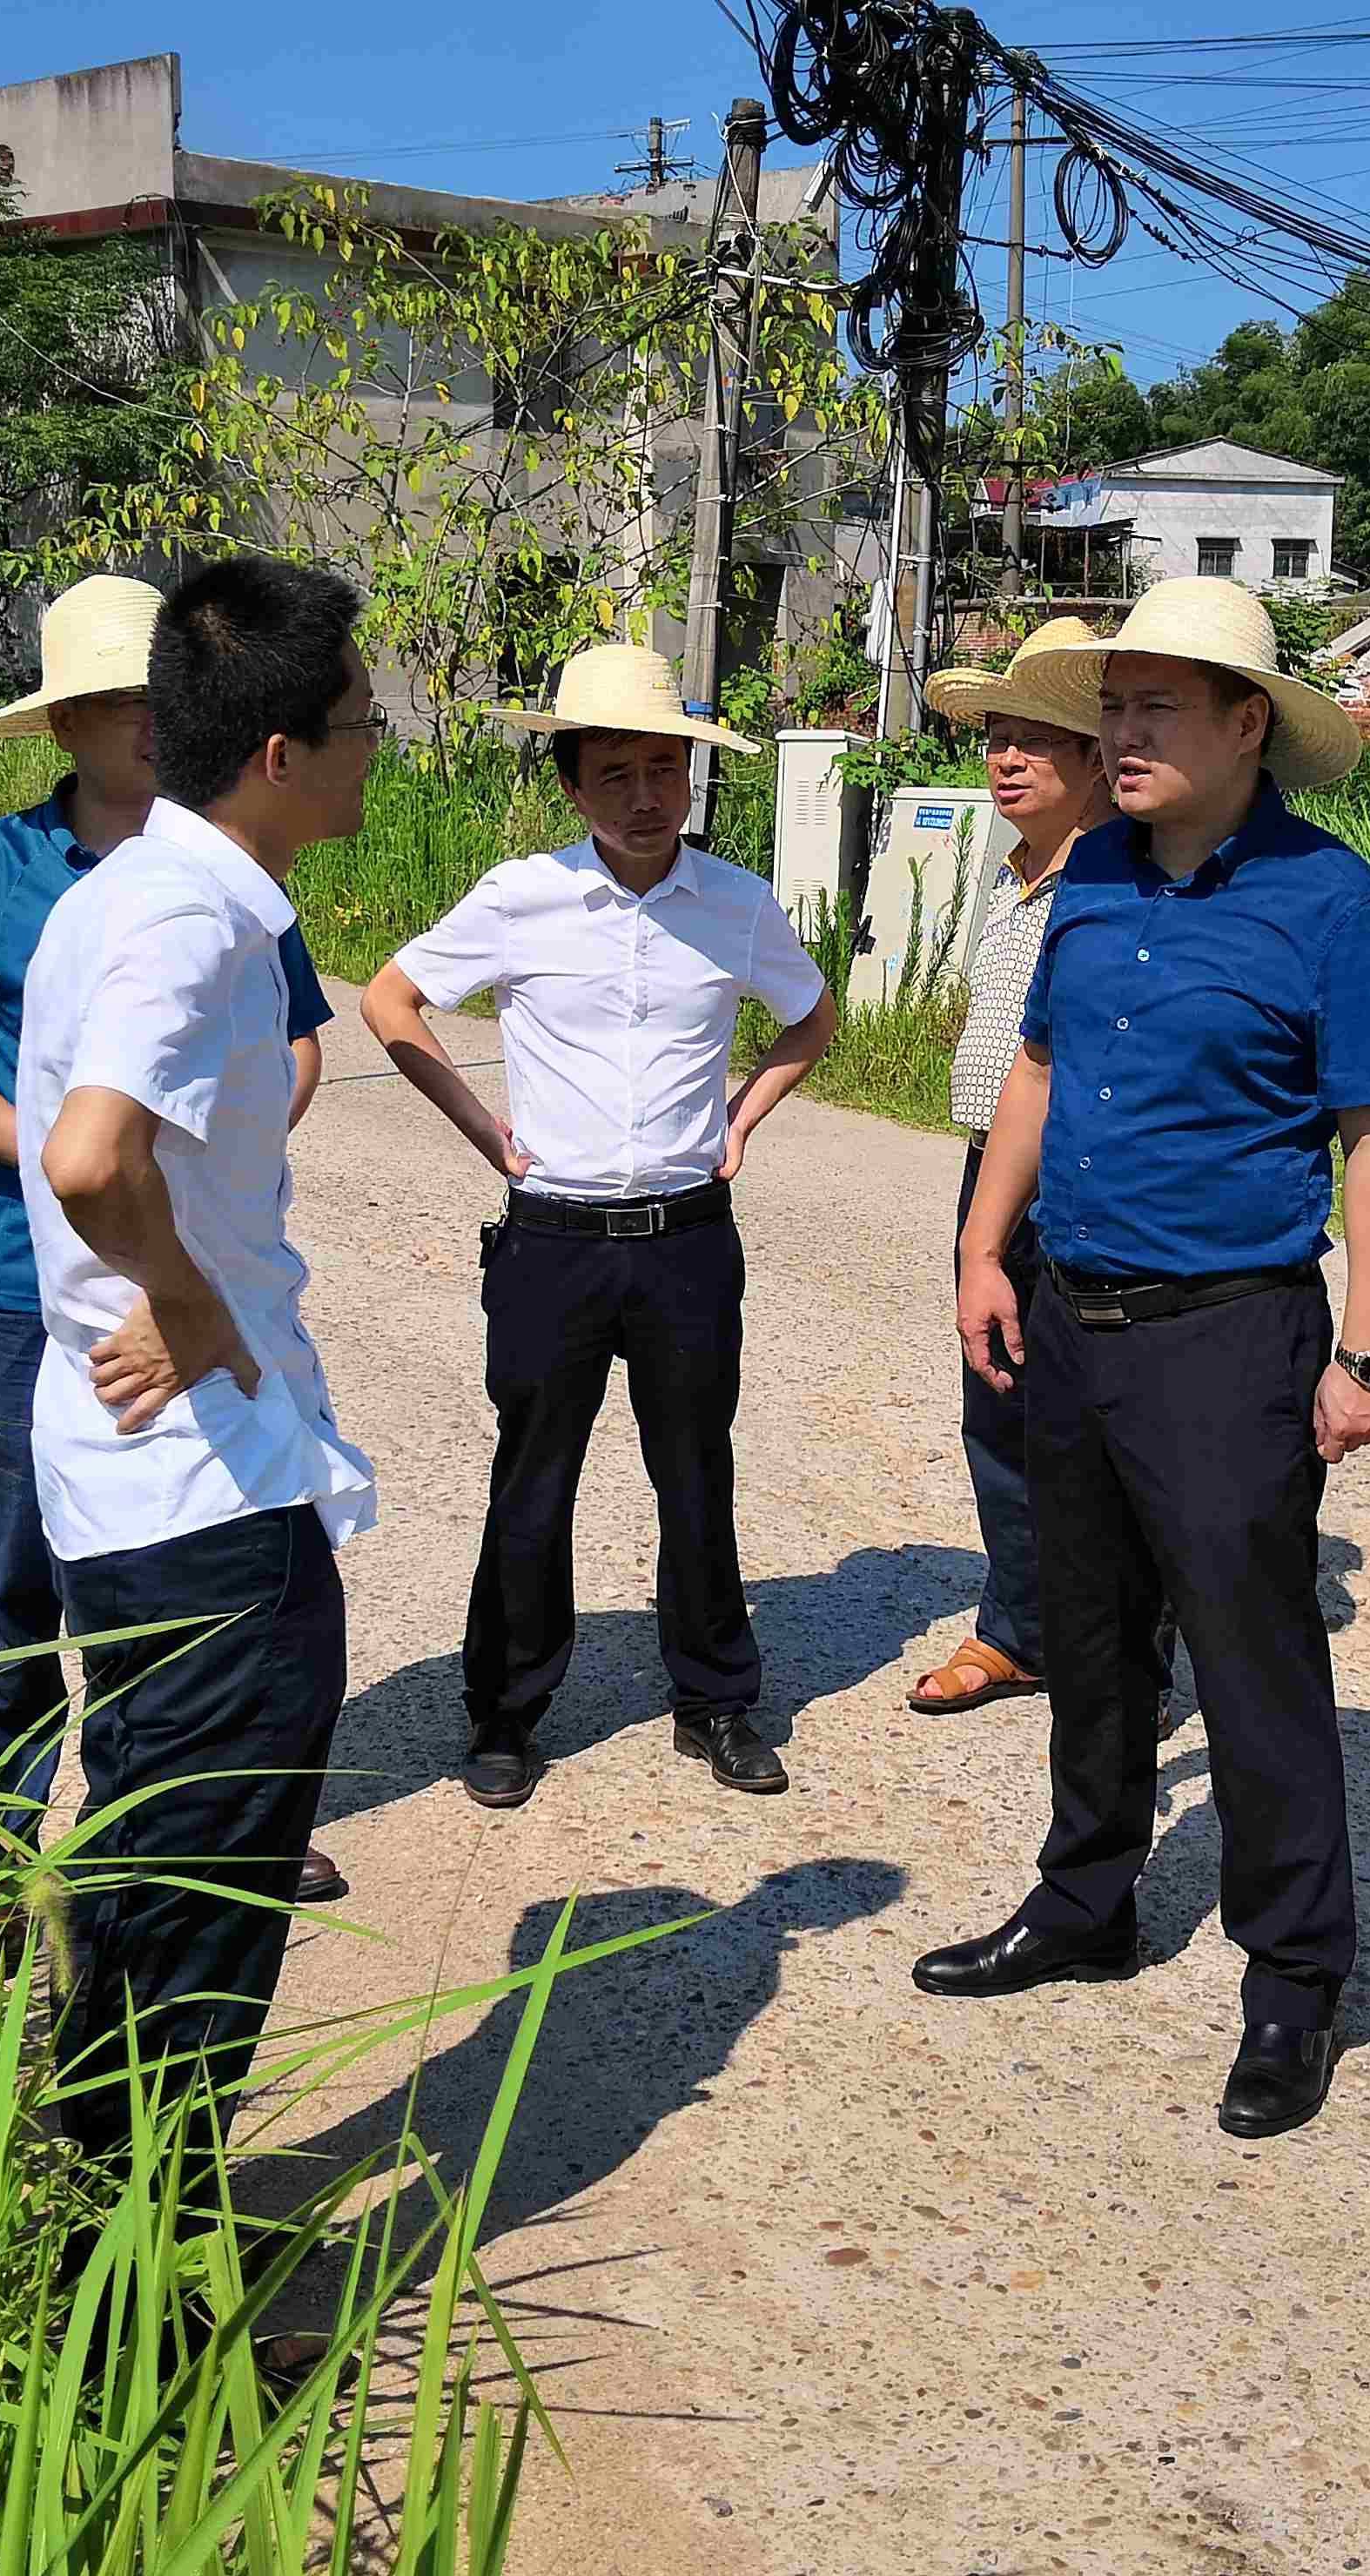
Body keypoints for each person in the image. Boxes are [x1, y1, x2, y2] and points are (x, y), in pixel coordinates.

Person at [911, 576, 1370, 2143]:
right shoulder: (1093, 880)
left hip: (1227, 1331)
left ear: (1245, 724)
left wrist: (1369, 1353)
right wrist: (984, 1246)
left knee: (1252, 1657)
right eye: (1108, 705)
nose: (1116, 734)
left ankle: (1294, 1973)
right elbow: (1038, 1073)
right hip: (1070, 1311)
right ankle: (1086, 1897)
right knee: (1089, 1627)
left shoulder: (1333, 904)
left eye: (1153, 706)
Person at [0, 575, 341, 1914]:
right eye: (111, 704)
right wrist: (89, 1169)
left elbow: (294, 1043)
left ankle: (176, 1828)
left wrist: (194, 1191)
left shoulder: (225, 875)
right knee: (17, 1577)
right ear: (62, 727)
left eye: (158, 697)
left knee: (170, 1576)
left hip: (164, 1264)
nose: (143, 724)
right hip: (37, 1279)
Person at [12, 555, 381, 2174]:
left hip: (156, 1476)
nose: (382, 746)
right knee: (199, 1895)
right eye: (364, 721)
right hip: (192, 1488)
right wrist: (188, 1295)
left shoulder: (135, 890)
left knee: (156, 1865)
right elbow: (96, 1156)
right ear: (282, 753)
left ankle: (98, 2226)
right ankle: (137, 2305)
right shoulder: (188, 918)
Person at [362, 642, 837, 1807]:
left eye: (665, 769)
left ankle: (716, 1699)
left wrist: (743, 1117)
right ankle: (506, 1715)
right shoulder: (521, 896)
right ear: (573, 786)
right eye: (615, 773)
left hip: (685, 1237)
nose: (644, 796)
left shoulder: (733, 902)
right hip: (552, 1239)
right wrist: (484, 1128)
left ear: (691, 777)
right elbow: (389, 998)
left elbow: (811, 1016)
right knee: (533, 1480)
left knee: (696, 1474)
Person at [908, 618, 1116, 1717]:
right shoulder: (1015, 871)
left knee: (1095, 1421)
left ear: (1095, 756)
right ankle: (1019, 1629)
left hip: (1080, 1181)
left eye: (1037, 738)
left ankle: (1121, 1642)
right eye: (995, 735)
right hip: (992, 1172)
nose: (1004, 757)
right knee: (996, 1405)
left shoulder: (1118, 883)